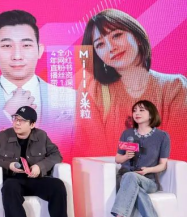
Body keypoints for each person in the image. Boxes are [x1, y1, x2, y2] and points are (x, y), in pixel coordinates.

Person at [0, 10, 75, 158]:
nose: (17, 56)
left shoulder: (70, 98)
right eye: (7, 46)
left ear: (40, 50)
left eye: (26, 45)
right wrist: (6, 114)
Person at [80, 9, 187, 155]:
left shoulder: (175, 87)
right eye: (100, 45)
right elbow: (95, 153)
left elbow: (175, 149)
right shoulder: (93, 90)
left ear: (137, 36)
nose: (111, 48)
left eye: (117, 35)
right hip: (110, 169)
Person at [0, 106, 70, 217]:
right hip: (14, 180)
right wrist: (8, 165)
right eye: (15, 119)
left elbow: (56, 155)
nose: (17, 123)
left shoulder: (41, 136)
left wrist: (40, 166)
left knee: (58, 186)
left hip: (36, 179)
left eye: (22, 121)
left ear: (32, 124)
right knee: (9, 187)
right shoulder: (3, 136)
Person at [109, 100, 169, 217]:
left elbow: (163, 165)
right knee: (132, 181)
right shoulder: (127, 134)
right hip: (125, 177)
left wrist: (148, 170)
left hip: (148, 180)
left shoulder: (162, 136)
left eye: (141, 110)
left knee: (133, 181)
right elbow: (117, 159)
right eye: (135, 110)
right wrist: (125, 157)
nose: (137, 113)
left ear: (151, 114)